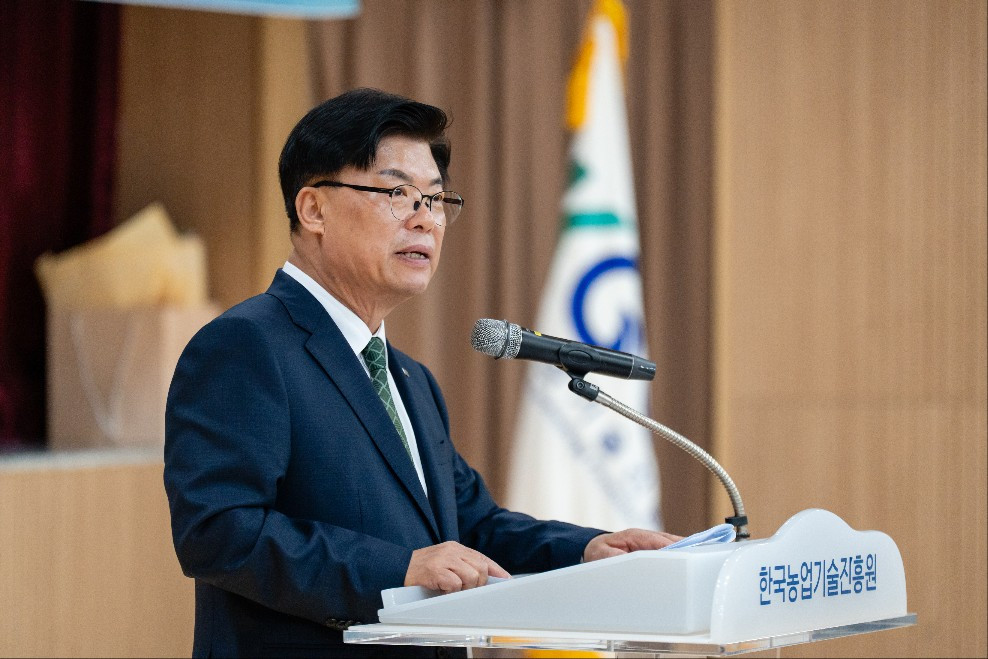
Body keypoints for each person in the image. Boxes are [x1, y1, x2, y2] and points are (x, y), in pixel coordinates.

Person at [163, 88, 681, 659]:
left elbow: (473, 527)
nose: (426, 219)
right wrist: (400, 569)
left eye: (436, 199)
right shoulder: (245, 346)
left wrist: (589, 550)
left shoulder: (409, 379)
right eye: (397, 193)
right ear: (313, 210)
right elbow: (217, 533)